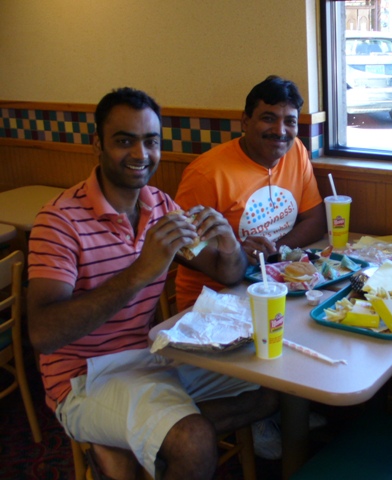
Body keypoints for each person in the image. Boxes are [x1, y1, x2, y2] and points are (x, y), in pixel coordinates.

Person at [27, 87, 277, 480]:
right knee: (192, 441)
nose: (141, 155)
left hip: (150, 355)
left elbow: (224, 272)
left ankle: (127, 440)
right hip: (83, 379)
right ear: (98, 144)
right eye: (124, 141)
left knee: (268, 385)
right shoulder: (58, 221)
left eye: (151, 141)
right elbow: (43, 334)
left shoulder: (159, 204)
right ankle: (150, 435)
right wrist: (142, 271)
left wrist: (229, 246)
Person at [174, 75, 326, 311]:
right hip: (212, 301)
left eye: (290, 121)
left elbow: (316, 220)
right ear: (245, 121)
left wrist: (273, 251)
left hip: (274, 284)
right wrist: (235, 253)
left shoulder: (296, 151)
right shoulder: (206, 173)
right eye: (268, 119)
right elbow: (183, 248)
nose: (280, 131)